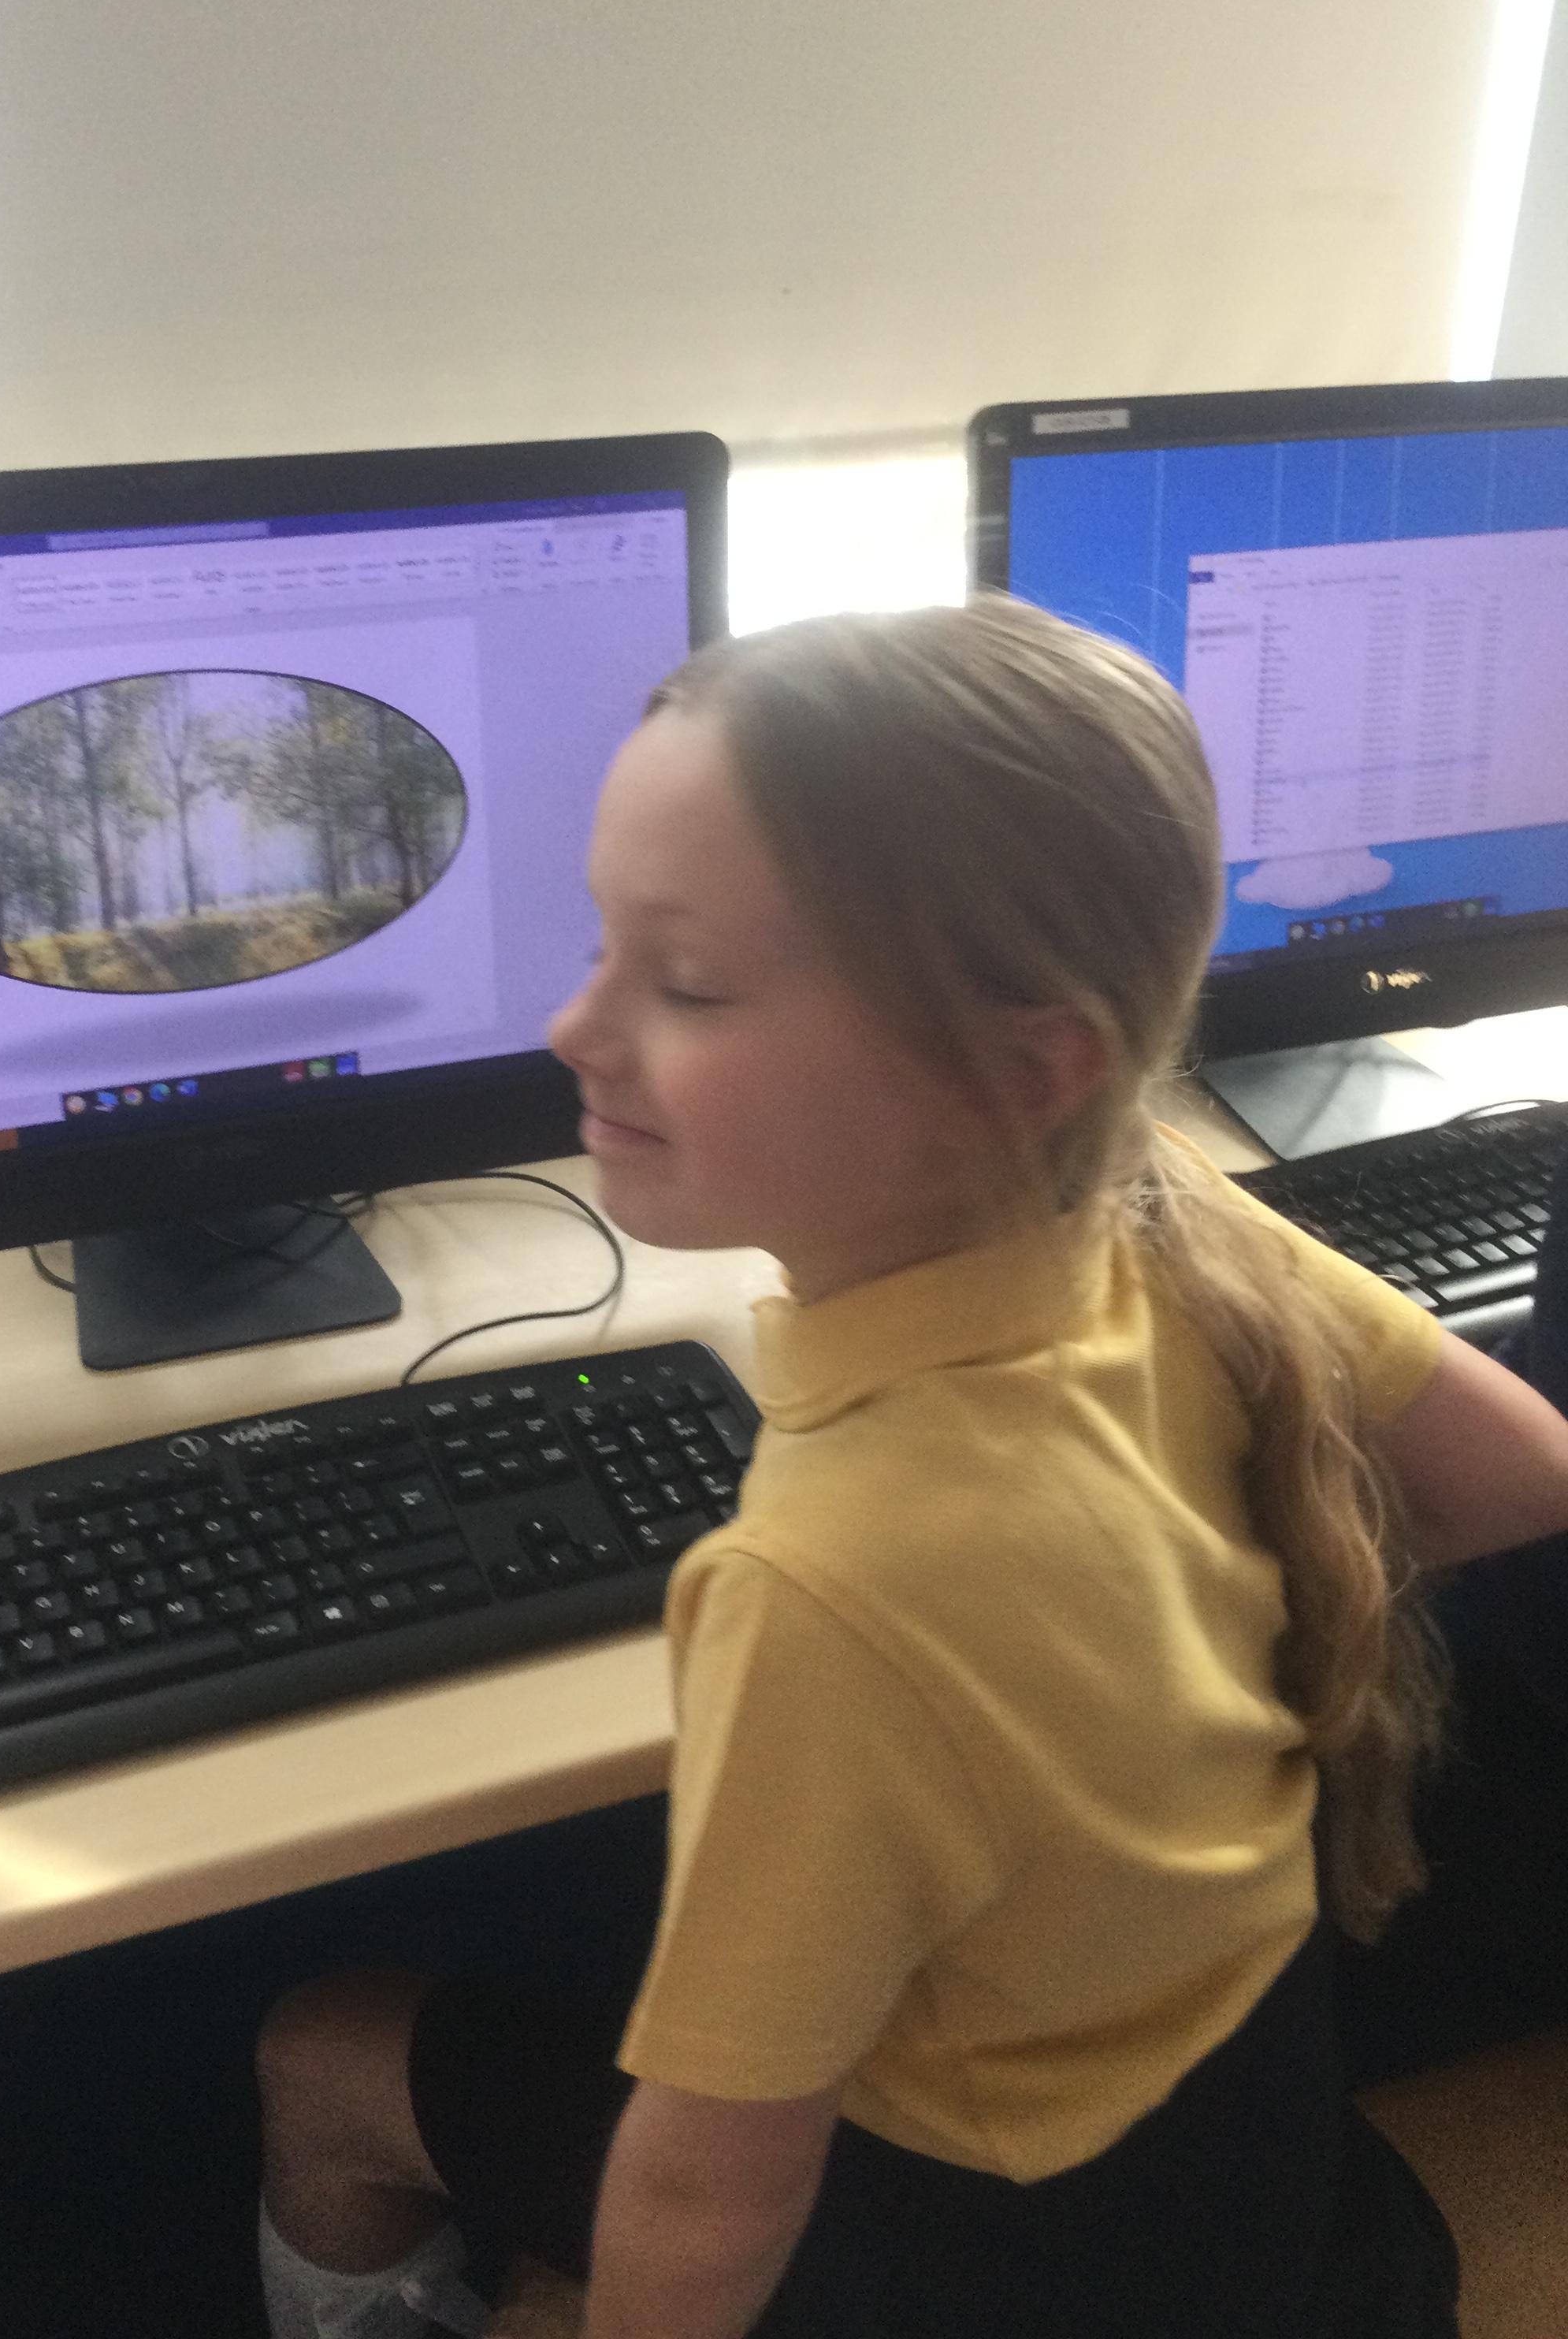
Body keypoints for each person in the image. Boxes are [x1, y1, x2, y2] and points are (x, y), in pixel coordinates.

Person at [251, 598, 1568, 2339]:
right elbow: (1523, 1471)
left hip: (986, 2257)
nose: (576, 1027)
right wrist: (1154, 1653)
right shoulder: (1170, 1216)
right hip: (1242, 2152)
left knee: (324, 2047)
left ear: (1025, 1072)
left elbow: (709, 2193)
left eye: (689, 984)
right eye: (601, 947)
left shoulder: (826, 1588)